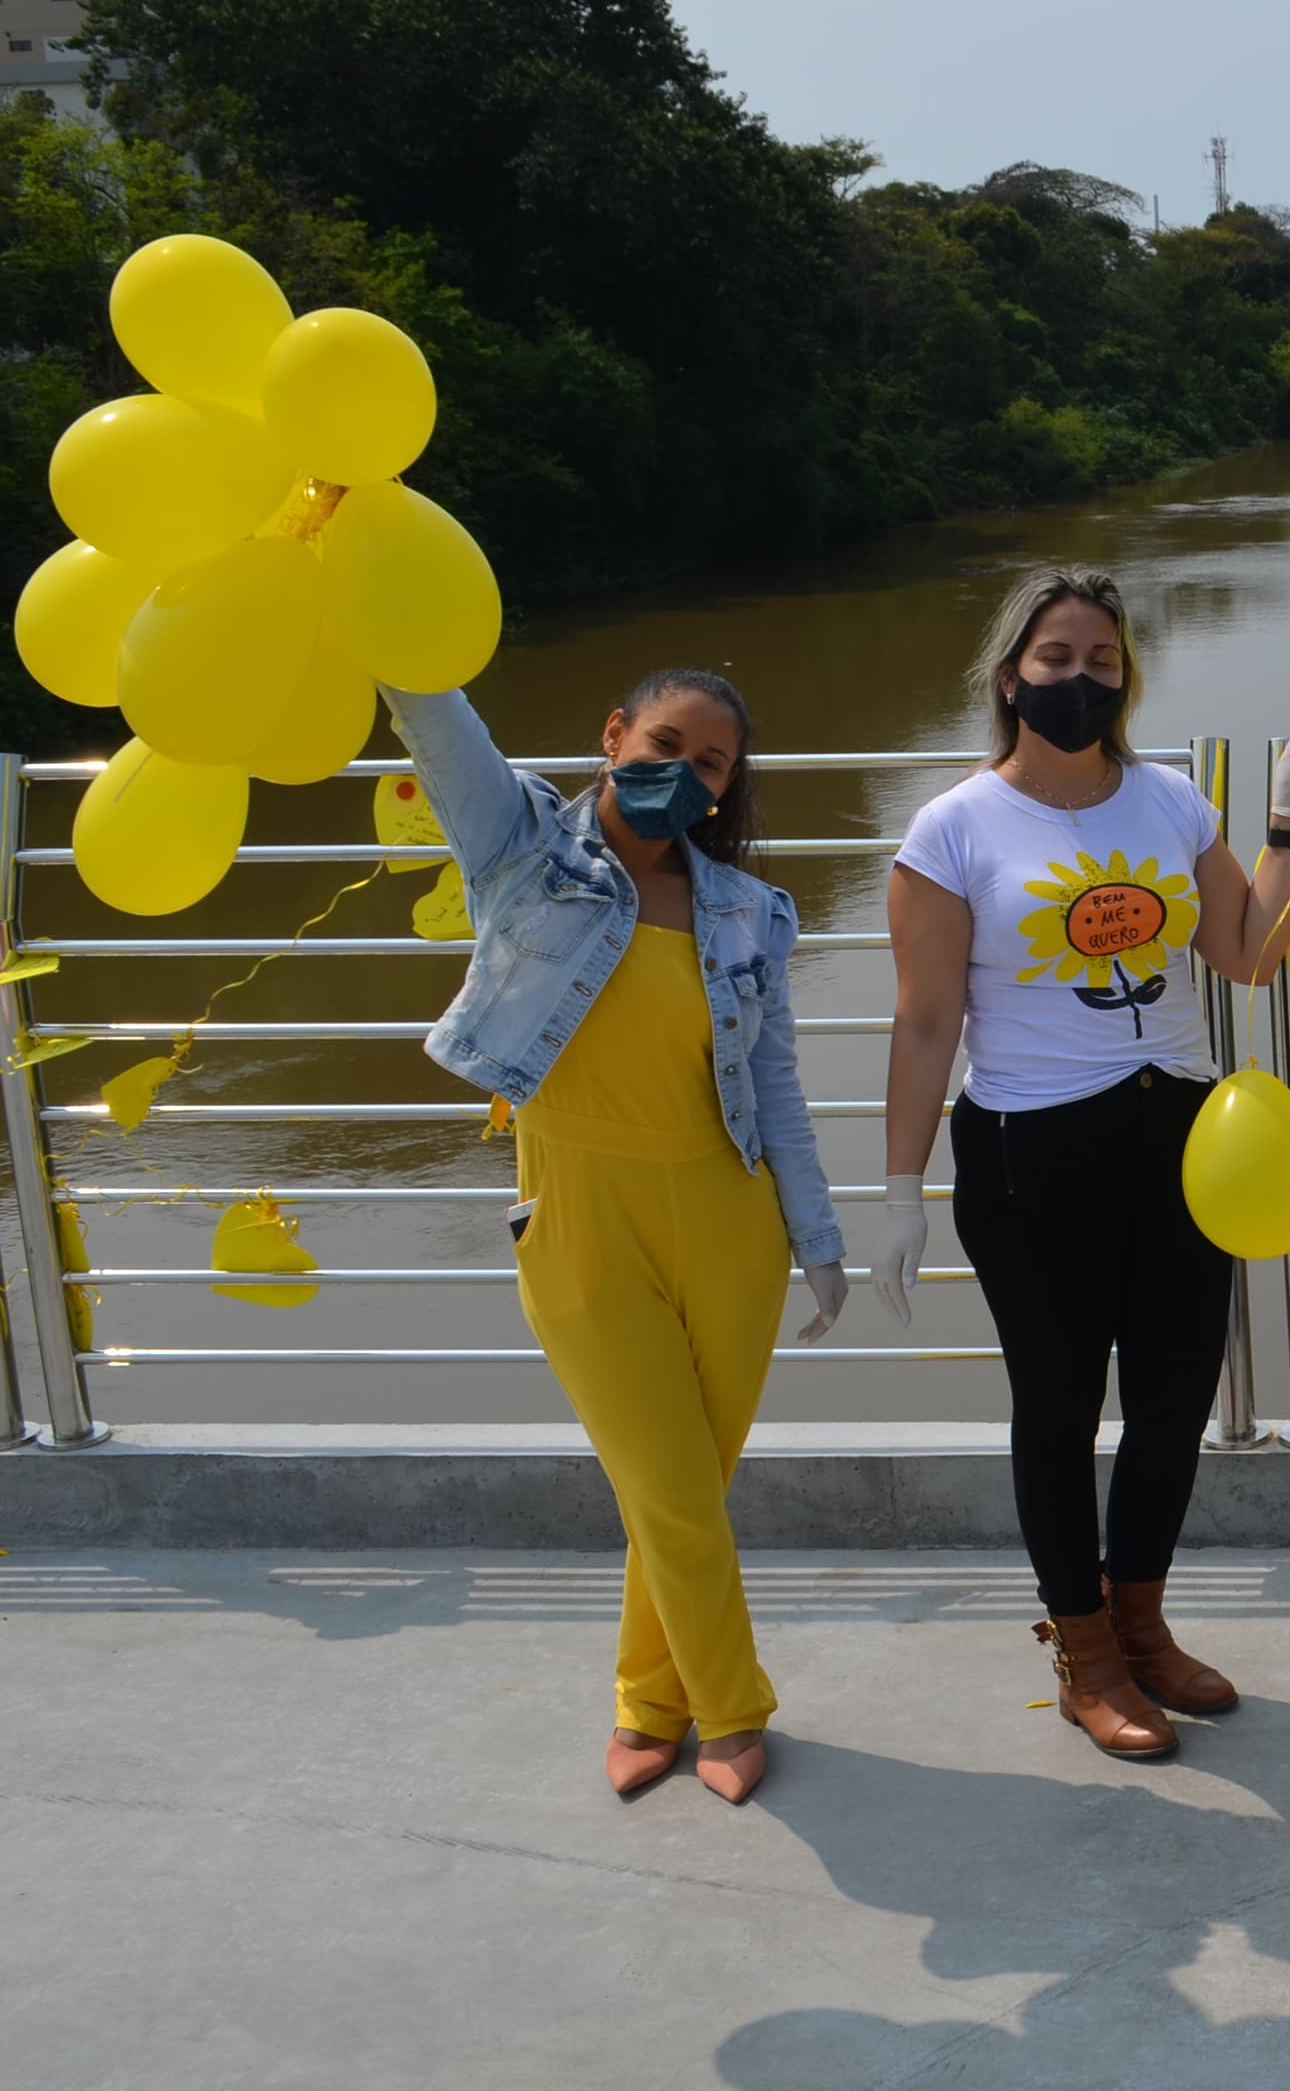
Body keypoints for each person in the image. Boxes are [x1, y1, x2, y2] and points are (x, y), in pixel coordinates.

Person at [391, 670, 877, 1807]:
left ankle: (649, 1703)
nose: (682, 772)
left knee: (685, 1490)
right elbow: (433, 716)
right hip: (580, 1212)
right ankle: (735, 1707)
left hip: (730, 1221)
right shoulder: (519, 847)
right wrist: (373, 596)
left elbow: (777, 1084)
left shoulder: (750, 912)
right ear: (613, 736)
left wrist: (817, 1238)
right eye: (663, 743)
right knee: (666, 1485)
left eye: (709, 763)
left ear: (725, 788)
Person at [879, 567, 1290, 1761]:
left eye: (1102, 660)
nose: (1079, 680)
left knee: (1178, 1397)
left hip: (1178, 1140)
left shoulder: (1173, 804)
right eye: (1056, 658)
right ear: (1009, 674)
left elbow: (1245, 956)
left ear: (1126, 676)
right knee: (1060, 1407)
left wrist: (1289, 829)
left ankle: (1143, 1625)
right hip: (1034, 1153)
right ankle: (1082, 1650)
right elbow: (925, 1023)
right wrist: (899, 1187)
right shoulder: (954, 828)